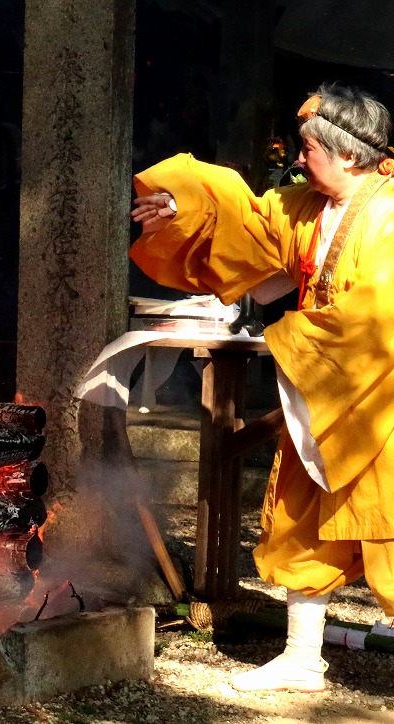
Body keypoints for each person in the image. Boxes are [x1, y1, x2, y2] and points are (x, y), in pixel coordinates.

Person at [130, 83, 394, 693]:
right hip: (320, 389)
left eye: (309, 150)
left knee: (385, 521)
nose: (299, 159)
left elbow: (374, 317)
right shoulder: (304, 205)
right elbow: (242, 216)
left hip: (374, 397)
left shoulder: (387, 213)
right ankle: (303, 660)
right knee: (300, 515)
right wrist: (180, 207)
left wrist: (292, 341)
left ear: (347, 155)